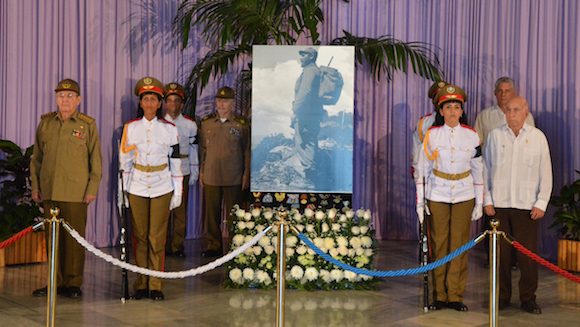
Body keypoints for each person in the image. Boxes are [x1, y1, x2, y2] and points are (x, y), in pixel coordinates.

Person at [30, 78, 102, 298]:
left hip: (76, 192)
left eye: (70, 96)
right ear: (56, 98)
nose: (65, 99)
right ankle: (55, 281)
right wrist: (36, 186)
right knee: (53, 239)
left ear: (78, 100)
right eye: (61, 95)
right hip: (50, 191)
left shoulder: (86, 125)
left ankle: (73, 282)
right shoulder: (46, 123)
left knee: (73, 240)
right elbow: (37, 159)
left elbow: (95, 160)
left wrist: (92, 188)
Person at [416, 85, 483, 311]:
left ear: (462, 111)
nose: (453, 111)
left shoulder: (472, 135)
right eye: (448, 107)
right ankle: (439, 295)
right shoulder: (432, 135)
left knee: (459, 245)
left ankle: (455, 294)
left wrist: (480, 201)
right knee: (439, 243)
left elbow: (478, 169)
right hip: (438, 193)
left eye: (457, 107)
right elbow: (422, 170)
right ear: (441, 111)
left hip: (464, 193)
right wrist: (420, 201)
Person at [483, 96, 552, 314]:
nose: (511, 114)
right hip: (499, 206)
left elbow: (546, 173)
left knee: (527, 257)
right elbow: (485, 170)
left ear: (525, 112)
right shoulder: (494, 136)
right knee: (500, 256)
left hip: (527, 207)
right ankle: (502, 296)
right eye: (508, 110)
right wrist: (487, 199)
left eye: (516, 110)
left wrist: (541, 202)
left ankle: (528, 298)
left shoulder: (538, 137)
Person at [119, 76, 183, 301]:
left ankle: (155, 284)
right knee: (140, 236)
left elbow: (176, 162)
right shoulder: (131, 128)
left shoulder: (169, 129)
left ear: (159, 103)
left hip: (161, 186)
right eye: (145, 99)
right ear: (141, 102)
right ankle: (141, 283)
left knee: (157, 237)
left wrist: (178, 190)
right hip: (136, 185)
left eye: (153, 99)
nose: (149, 103)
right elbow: (124, 161)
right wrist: (123, 192)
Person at [475, 76, 535, 269]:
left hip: (519, 181)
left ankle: (516, 260)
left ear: (514, 92)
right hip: (493, 177)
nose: (503, 95)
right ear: (495, 93)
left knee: (518, 226)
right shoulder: (485, 116)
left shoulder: (527, 116)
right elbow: (477, 144)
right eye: (500, 91)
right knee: (492, 222)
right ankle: (493, 258)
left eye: (507, 91)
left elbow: (530, 145)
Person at [199, 86, 250, 258]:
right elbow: (202, 151)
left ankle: (235, 244)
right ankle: (213, 245)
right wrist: (201, 171)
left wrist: (246, 174)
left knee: (233, 214)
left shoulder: (241, 124)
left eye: (226, 101)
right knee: (211, 214)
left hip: (233, 176)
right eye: (219, 100)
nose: (221, 104)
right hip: (211, 175)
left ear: (232, 103)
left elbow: (247, 151)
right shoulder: (206, 123)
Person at [163, 82, 199, 257]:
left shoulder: (190, 125)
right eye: (169, 101)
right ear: (165, 103)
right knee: (162, 211)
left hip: (182, 171)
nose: (173, 105)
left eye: (177, 101)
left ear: (182, 104)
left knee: (180, 211)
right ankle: (161, 245)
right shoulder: (159, 123)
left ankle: (177, 246)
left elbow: (193, 149)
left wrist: (195, 170)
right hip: (162, 172)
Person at [291, 47, 324, 181]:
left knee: (305, 143)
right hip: (311, 115)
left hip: (306, 115)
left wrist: (295, 110)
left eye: (303, 55)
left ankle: (309, 178)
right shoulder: (313, 71)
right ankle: (310, 175)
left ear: (311, 57)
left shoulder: (310, 71)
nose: (301, 57)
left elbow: (305, 92)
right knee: (309, 142)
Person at [411, 80, 448, 179]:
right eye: (437, 97)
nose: (440, 101)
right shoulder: (423, 123)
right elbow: (416, 153)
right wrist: (418, 178)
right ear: (433, 101)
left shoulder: (459, 121)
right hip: (430, 176)